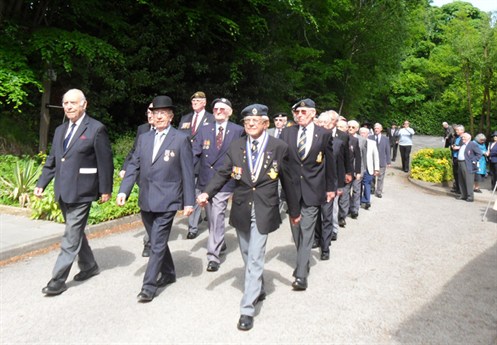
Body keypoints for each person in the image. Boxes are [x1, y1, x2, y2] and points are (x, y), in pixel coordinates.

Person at [197, 104, 301, 331]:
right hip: (242, 208)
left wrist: (294, 212)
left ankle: (247, 309)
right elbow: (223, 172)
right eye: (247, 122)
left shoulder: (279, 147)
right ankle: (259, 285)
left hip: (265, 209)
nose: (251, 124)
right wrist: (207, 192)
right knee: (246, 253)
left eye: (256, 121)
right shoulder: (236, 146)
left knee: (255, 256)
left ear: (266, 124)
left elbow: (289, 182)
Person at [35, 89, 114, 296]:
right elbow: (53, 160)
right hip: (63, 190)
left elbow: (105, 161)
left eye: (73, 103)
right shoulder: (60, 130)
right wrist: (42, 183)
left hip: (83, 191)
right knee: (75, 231)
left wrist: (105, 189)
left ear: (84, 105)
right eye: (66, 103)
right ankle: (89, 266)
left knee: (70, 235)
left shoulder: (96, 129)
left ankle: (57, 280)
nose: (68, 107)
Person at [117, 95, 195, 302]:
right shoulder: (144, 138)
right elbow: (134, 165)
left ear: (170, 116)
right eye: (155, 113)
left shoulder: (180, 139)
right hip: (146, 199)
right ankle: (168, 272)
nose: (158, 117)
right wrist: (123, 191)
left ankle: (149, 286)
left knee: (157, 243)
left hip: (168, 199)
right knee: (155, 240)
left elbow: (188, 172)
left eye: (163, 113)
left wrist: (189, 201)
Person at [280, 99, 336, 282]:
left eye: (304, 112)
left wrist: (331, 187)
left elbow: (330, 163)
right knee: (296, 231)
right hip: (292, 190)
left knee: (307, 229)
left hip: (313, 188)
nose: (300, 115)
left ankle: (301, 274)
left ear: (313, 113)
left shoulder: (324, 134)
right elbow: (281, 163)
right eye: (297, 112)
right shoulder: (287, 133)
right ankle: (303, 260)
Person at [192, 98, 244, 272]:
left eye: (222, 109)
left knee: (217, 215)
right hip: (206, 180)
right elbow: (195, 153)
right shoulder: (204, 129)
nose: (218, 111)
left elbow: (241, 157)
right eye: (215, 109)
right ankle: (219, 243)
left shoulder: (238, 130)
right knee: (210, 217)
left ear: (229, 112)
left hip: (225, 181)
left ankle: (213, 256)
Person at [119, 102, 155, 257]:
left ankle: (150, 243)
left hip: (161, 180)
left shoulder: (173, 134)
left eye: (153, 111)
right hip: (144, 177)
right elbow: (134, 151)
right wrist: (125, 167)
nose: (151, 114)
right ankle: (151, 239)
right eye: (148, 111)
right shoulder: (142, 129)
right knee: (146, 210)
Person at [178, 91, 215, 240]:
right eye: (193, 100)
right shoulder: (185, 118)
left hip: (204, 162)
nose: (195, 102)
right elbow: (180, 138)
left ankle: (199, 223)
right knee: (193, 192)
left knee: (202, 192)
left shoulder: (211, 118)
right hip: (188, 160)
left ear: (205, 102)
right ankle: (194, 225)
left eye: (199, 100)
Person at [337, 119, 361, 225]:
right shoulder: (334, 138)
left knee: (345, 195)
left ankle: (342, 216)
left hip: (347, 171)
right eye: (349, 127)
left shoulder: (354, 140)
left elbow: (358, 157)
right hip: (336, 171)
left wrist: (358, 171)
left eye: (352, 127)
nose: (350, 129)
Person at [456, 133, 482, 202]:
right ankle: (463, 195)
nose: (462, 138)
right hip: (460, 163)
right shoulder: (462, 144)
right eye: (462, 137)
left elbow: (479, 154)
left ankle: (470, 197)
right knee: (461, 180)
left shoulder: (472, 144)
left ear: (469, 138)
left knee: (468, 181)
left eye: (464, 137)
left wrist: (473, 160)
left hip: (467, 164)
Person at [359, 127, 379, 210]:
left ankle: (366, 201)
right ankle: (358, 200)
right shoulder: (356, 141)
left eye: (364, 133)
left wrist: (376, 168)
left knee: (367, 184)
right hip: (359, 167)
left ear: (368, 134)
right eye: (361, 132)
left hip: (368, 168)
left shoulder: (372, 143)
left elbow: (376, 156)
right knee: (358, 185)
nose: (362, 134)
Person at [369, 123, 391, 198]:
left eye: (378, 128)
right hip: (372, 161)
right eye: (375, 128)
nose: (376, 129)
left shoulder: (385, 139)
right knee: (372, 176)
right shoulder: (370, 137)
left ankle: (379, 191)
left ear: (381, 129)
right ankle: (372, 188)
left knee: (380, 177)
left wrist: (388, 161)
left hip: (382, 161)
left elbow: (388, 150)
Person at [450, 125, 465, 194]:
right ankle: (457, 188)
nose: (456, 131)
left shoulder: (464, 137)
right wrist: (452, 146)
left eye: (458, 130)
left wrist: (458, 147)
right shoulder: (456, 137)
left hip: (460, 158)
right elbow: (453, 144)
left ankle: (460, 189)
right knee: (455, 173)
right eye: (456, 130)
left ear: (462, 130)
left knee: (459, 174)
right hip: (455, 157)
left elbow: (466, 146)